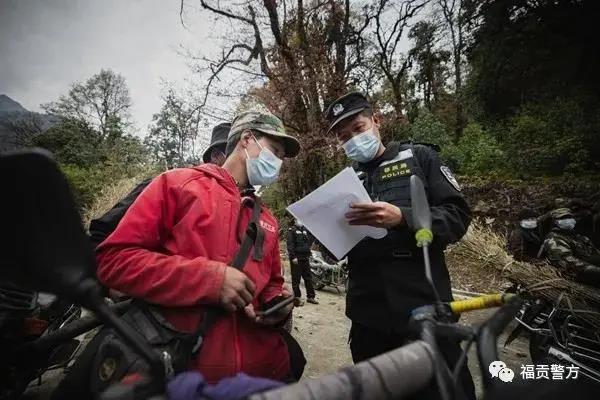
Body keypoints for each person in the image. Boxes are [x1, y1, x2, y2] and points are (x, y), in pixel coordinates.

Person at [325, 92, 475, 400]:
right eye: (344, 137)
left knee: (445, 391)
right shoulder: (344, 183)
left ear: (376, 121)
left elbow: (457, 216)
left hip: (423, 305)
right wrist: (327, 241)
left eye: (358, 128)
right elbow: (335, 246)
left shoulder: (420, 158)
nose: (353, 139)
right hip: (368, 316)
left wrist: (403, 218)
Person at [88, 122, 231, 249]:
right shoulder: (173, 185)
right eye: (235, 155)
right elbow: (102, 231)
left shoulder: (238, 206)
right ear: (216, 156)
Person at [541, 208, 600, 288]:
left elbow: (595, 253)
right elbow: (567, 262)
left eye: (570, 217)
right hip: (576, 275)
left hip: (590, 271)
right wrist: (596, 270)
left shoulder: (579, 237)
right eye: (563, 218)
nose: (568, 220)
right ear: (555, 222)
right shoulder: (553, 239)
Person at [286, 219, 318, 306]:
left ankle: (311, 297)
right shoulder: (291, 230)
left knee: (308, 278)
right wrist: (293, 257)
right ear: (295, 221)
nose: (300, 221)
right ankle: (297, 297)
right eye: (298, 219)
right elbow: (290, 244)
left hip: (305, 258)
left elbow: (309, 241)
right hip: (296, 258)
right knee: (296, 279)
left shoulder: (305, 230)